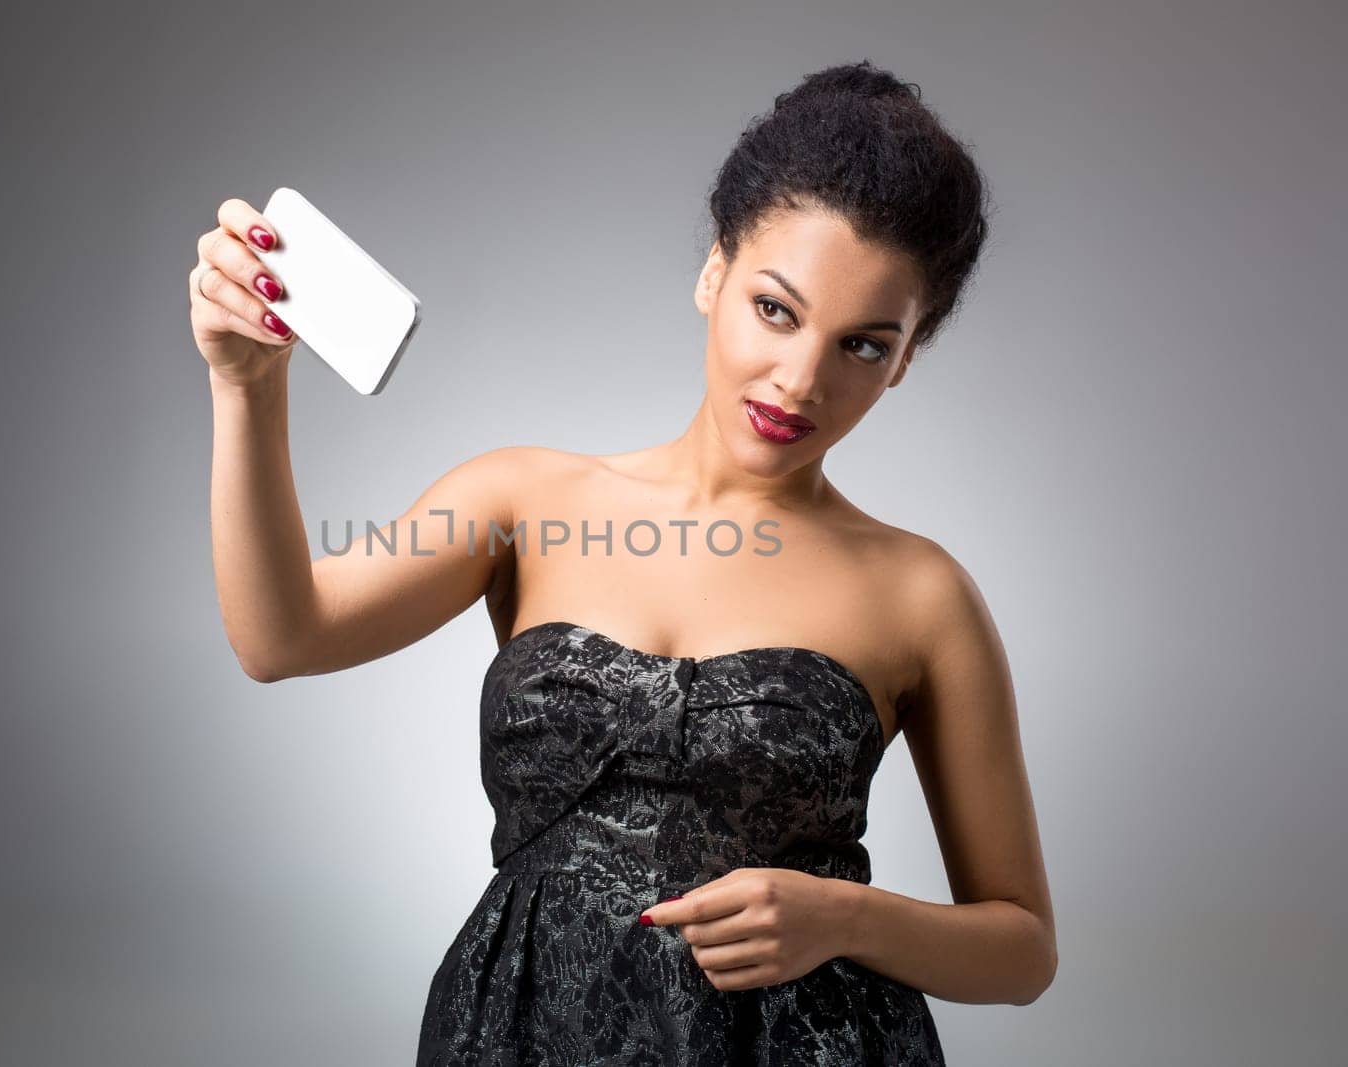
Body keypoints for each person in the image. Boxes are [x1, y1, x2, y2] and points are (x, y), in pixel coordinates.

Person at [189, 58, 1055, 1066]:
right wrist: (246, 390)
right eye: (774, 308)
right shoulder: (523, 499)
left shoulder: (921, 594)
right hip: (517, 1034)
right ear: (713, 273)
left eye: (862, 345)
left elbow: (1021, 947)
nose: (799, 376)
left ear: (906, 358)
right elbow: (278, 635)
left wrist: (842, 915)